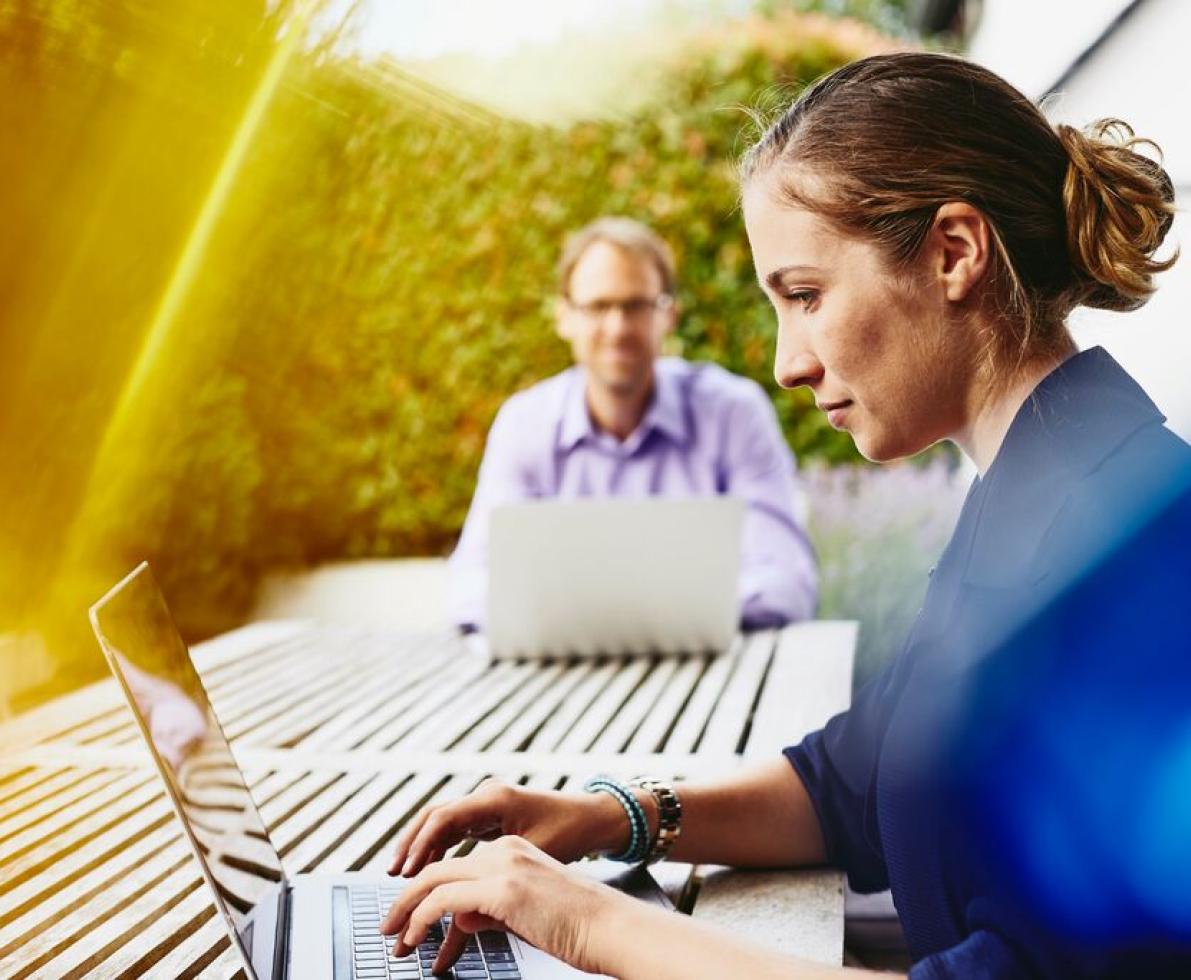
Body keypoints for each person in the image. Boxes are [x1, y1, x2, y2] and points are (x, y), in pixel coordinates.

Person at [379, 52, 1190, 978]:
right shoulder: (1037, 494)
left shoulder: (1132, 570)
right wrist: (607, 815)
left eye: (804, 296)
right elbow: (848, 782)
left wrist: (583, 923)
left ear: (953, 253)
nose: (785, 363)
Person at [448, 216, 817, 632]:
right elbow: (472, 586)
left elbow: (787, 580)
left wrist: (622, 620)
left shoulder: (733, 414)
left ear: (669, 315)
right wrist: (644, 617)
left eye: (635, 306)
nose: (618, 327)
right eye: (598, 306)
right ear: (563, 317)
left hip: (705, 670)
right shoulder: (524, 425)